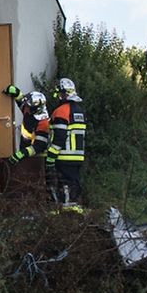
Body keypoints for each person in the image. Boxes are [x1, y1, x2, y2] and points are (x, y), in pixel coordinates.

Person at [46, 77, 88, 213]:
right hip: (78, 156)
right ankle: (74, 210)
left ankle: (67, 214)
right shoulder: (79, 111)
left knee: (64, 185)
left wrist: (51, 155)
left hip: (64, 155)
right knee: (74, 183)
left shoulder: (61, 111)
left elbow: (59, 137)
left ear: (62, 93)